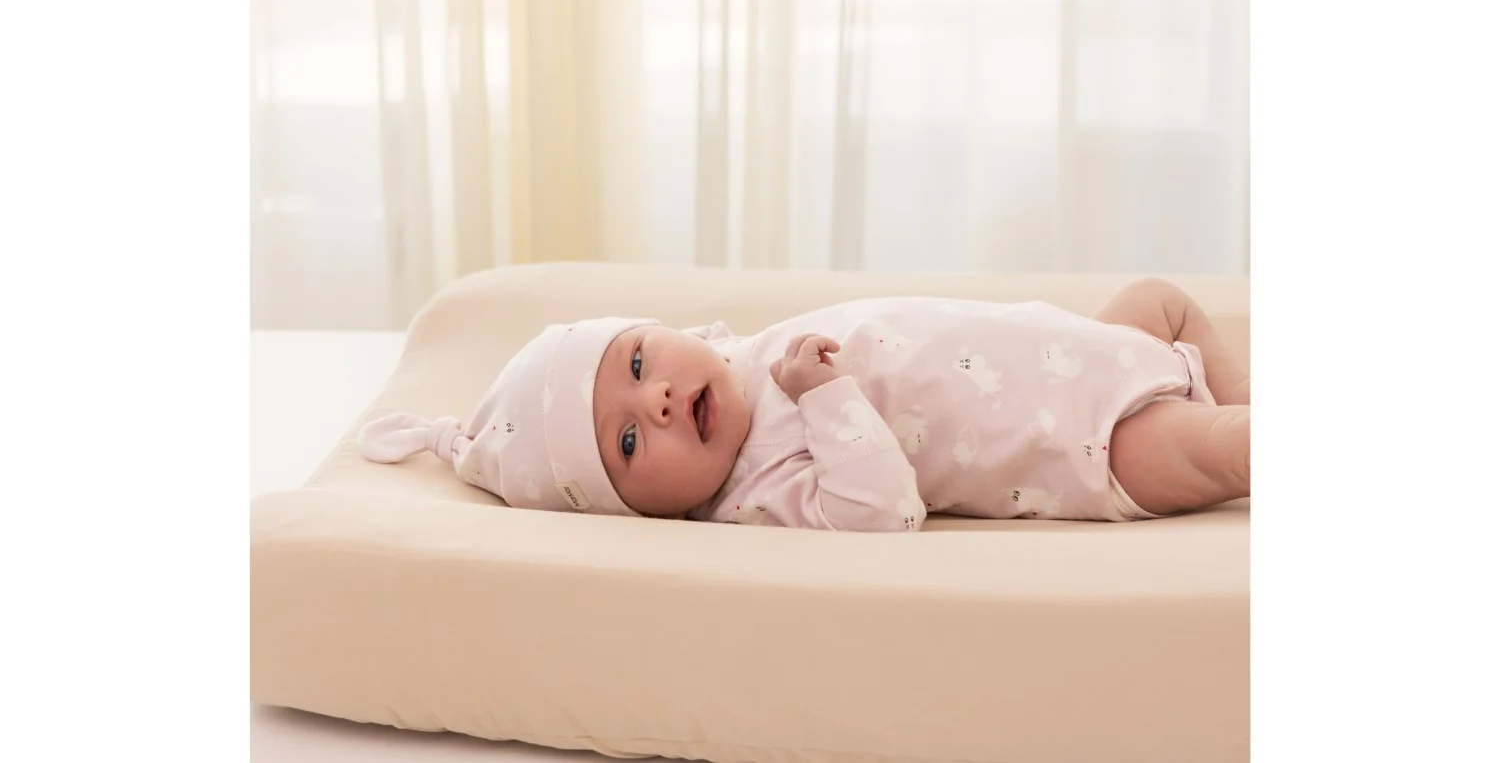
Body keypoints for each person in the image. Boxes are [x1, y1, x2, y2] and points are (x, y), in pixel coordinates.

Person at [360, 277, 1249, 532]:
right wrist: (825, 400)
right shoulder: (751, 488)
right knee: (1218, 445)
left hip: (1077, 348)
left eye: (637, 360)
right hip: (1087, 442)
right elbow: (882, 511)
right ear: (638, 511)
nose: (658, 399)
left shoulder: (734, 358)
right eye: (626, 442)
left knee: (1161, 301)